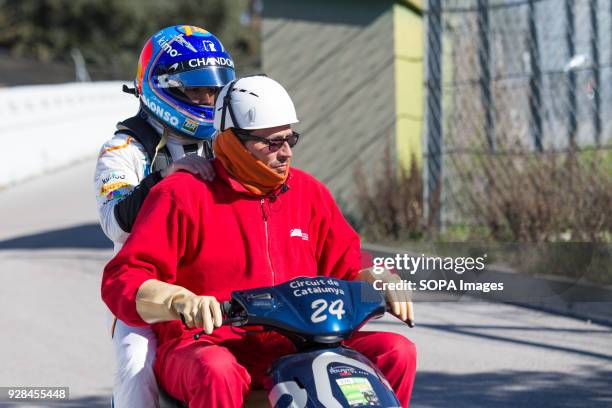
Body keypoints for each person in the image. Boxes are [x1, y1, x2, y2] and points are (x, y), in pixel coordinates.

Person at [101, 75, 417, 407]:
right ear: (232, 140)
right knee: (216, 370)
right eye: (270, 143)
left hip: (301, 346)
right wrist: (181, 300)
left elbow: (350, 264)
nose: (284, 153)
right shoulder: (182, 194)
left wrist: (379, 278)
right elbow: (124, 278)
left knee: (395, 351)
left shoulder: (309, 194)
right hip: (208, 346)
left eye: (289, 139)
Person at [94, 25, 235, 408]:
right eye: (197, 90)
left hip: (222, 283)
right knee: (135, 367)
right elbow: (115, 221)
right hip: (150, 292)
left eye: (215, 89)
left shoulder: (228, 138)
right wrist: (165, 177)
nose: (209, 99)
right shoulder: (123, 147)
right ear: (162, 87)